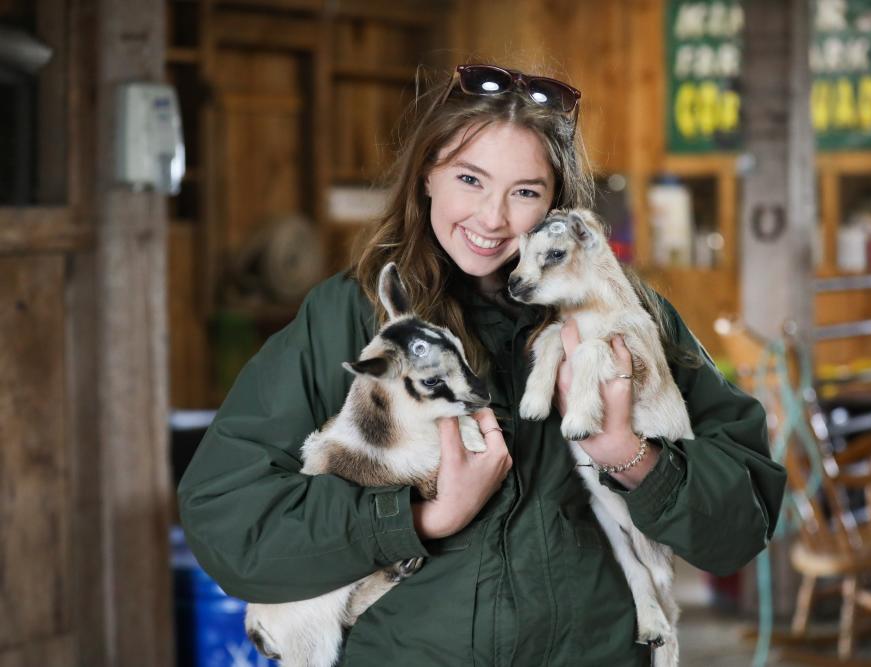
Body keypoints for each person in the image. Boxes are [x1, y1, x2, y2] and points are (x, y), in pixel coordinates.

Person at [178, 62, 787, 666]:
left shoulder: (627, 316)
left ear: (557, 202)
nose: (493, 219)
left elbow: (739, 526)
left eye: (525, 192)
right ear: (427, 176)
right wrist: (418, 517)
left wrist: (627, 453)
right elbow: (228, 518)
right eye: (470, 180)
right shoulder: (351, 318)